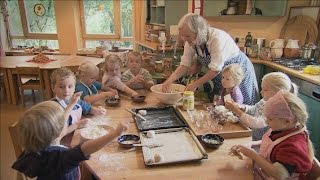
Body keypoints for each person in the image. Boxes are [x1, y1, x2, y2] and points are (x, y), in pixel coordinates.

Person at [12, 101, 130, 179]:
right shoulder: (59, 158)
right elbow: (84, 149)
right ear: (57, 132)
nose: (66, 121)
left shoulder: (32, 150)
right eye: (64, 121)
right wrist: (115, 133)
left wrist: (72, 103)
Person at [162, 13, 258, 105]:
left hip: (237, 72)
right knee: (220, 104)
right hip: (221, 75)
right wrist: (169, 80)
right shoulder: (190, 42)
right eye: (182, 35)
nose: (184, 39)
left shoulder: (217, 38)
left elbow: (215, 70)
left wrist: (194, 85)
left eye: (187, 35)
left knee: (240, 104)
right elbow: (184, 65)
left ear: (198, 32)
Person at [232, 91, 314, 179]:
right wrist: (250, 145)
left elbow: (279, 174)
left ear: (287, 121)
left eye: (270, 119)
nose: (266, 122)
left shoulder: (293, 146)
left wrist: (253, 154)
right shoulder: (283, 129)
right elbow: (270, 144)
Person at [225, 72, 298, 141]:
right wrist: (243, 108)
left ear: (278, 92)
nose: (261, 92)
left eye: (265, 90)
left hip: (261, 141)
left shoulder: (276, 110)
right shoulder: (264, 100)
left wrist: (237, 111)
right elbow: (253, 109)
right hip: (252, 135)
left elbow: (256, 123)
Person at [50, 67, 106, 134]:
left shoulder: (75, 100)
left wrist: (96, 111)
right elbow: (58, 133)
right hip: (64, 140)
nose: (66, 91)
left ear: (74, 87)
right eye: (61, 87)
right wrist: (76, 125)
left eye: (70, 87)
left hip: (78, 133)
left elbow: (87, 108)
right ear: (53, 88)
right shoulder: (53, 107)